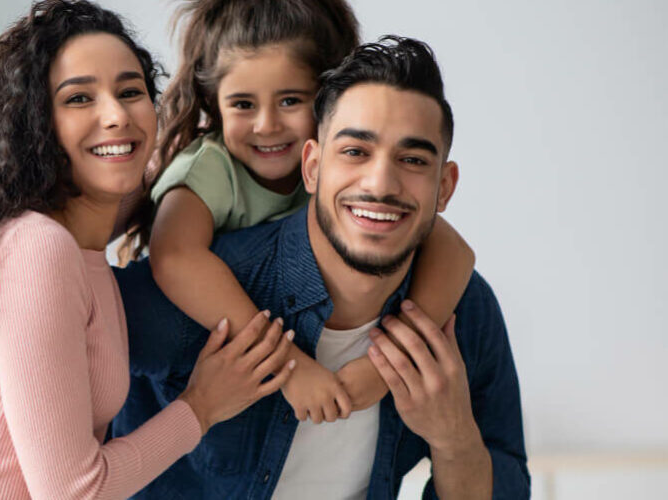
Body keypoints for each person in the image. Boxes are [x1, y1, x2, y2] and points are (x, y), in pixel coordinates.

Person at [0, 1, 296, 498]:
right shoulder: (37, 250)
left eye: (130, 92)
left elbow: (146, 182)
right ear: (37, 123)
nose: (116, 114)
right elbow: (74, 492)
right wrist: (202, 406)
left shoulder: (78, 233)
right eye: (80, 99)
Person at [113, 37, 529, 499]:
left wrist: (455, 439)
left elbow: (505, 479)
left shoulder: (465, 313)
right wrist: (198, 408)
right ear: (312, 167)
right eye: (355, 152)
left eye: (412, 160)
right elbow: (54, 341)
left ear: (445, 187)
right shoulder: (209, 292)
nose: (381, 184)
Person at [118, 0, 476, 424]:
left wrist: (385, 367)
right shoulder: (209, 169)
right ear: (215, 105)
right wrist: (288, 366)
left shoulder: (339, 173)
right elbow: (175, 258)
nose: (266, 125)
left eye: (289, 100)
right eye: (243, 105)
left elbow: (455, 251)